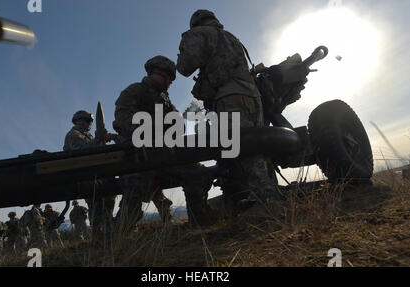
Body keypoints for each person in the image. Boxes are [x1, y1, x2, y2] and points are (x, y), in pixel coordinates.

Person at [176, 9, 279, 217]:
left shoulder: (199, 34)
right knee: (258, 145)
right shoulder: (232, 37)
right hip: (253, 97)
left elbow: (185, 67)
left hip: (229, 97)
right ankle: (269, 196)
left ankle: (267, 205)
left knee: (243, 147)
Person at [113, 55, 214, 230]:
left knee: (196, 173)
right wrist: (157, 127)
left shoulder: (165, 100)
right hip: (138, 158)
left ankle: (200, 224)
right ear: (158, 72)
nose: (171, 83)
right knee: (132, 202)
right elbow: (123, 121)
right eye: (169, 79)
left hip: (163, 155)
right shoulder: (135, 91)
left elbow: (177, 127)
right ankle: (115, 239)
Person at [63, 111, 117, 240]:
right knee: (96, 204)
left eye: (91, 121)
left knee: (109, 200)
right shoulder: (73, 135)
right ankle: (98, 236)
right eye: (87, 120)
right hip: (85, 177)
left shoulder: (87, 136)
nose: (90, 123)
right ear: (77, 121)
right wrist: (98, 139)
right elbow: (84, 152)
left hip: (97, 175)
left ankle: (109, 232)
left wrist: (101, 140)